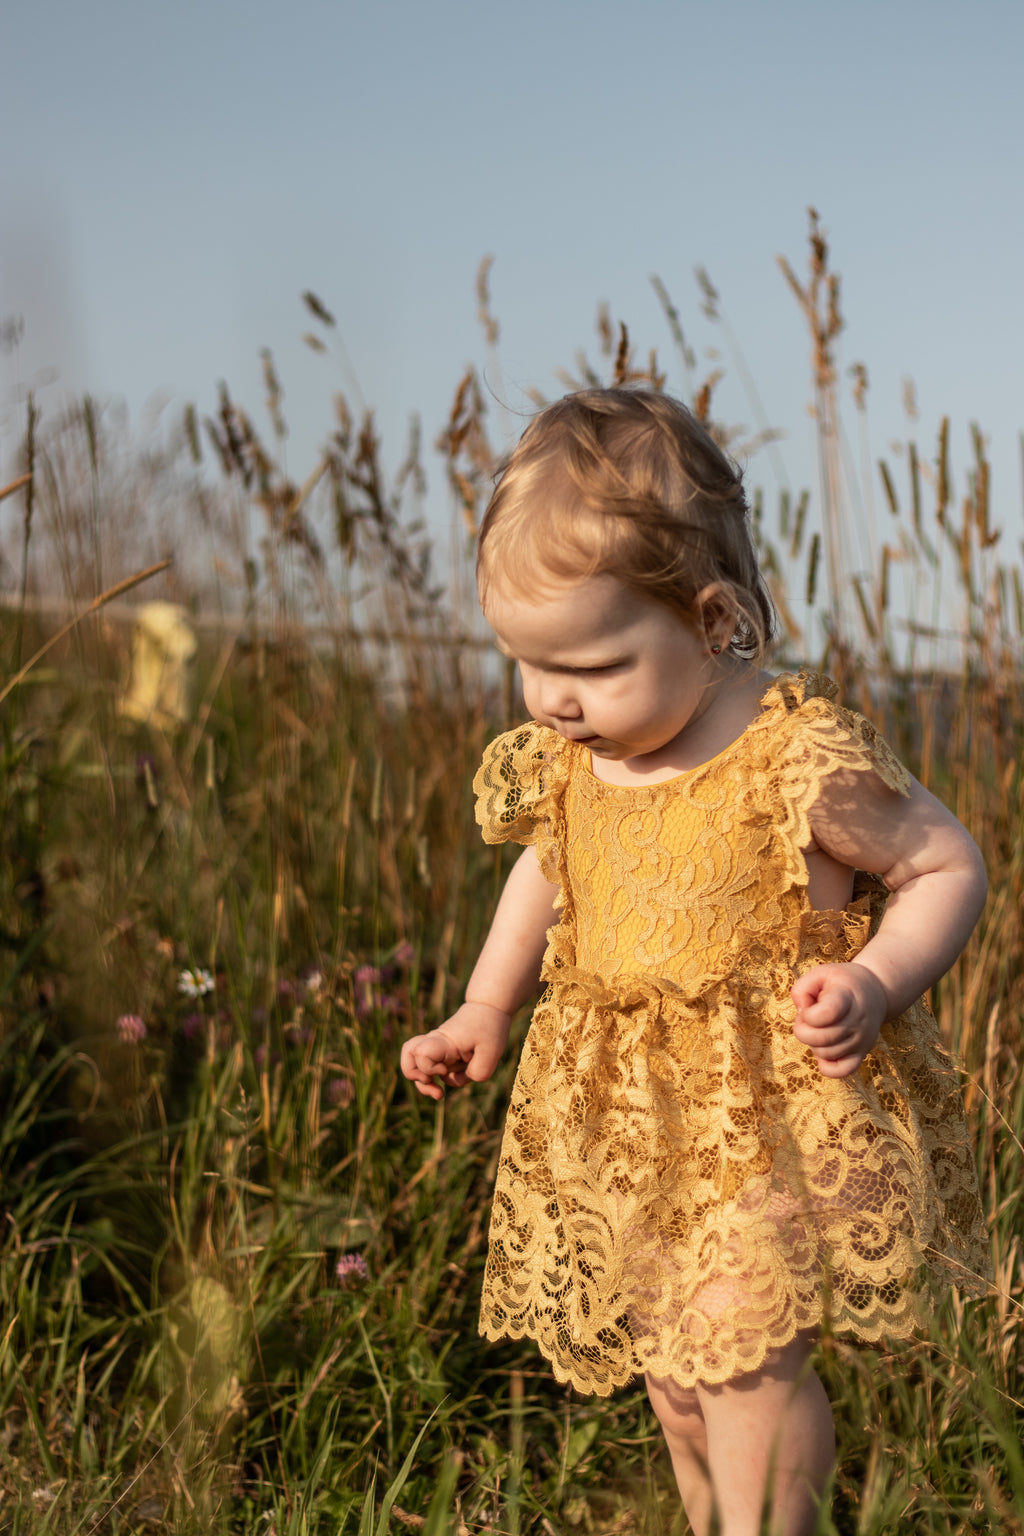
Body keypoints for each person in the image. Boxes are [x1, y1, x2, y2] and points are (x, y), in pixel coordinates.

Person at [400, 388, 990, 1536]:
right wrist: (484, 1004)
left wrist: (875, 980)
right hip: (631, 1127)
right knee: (675, 1381)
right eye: (526, 663)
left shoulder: (791, 756)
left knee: (746, 1371)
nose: (555, 700)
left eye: (596, 664)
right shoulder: (574, 761)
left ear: (714, 619)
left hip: (761, 1113)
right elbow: (548, 876)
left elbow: (944, 865)